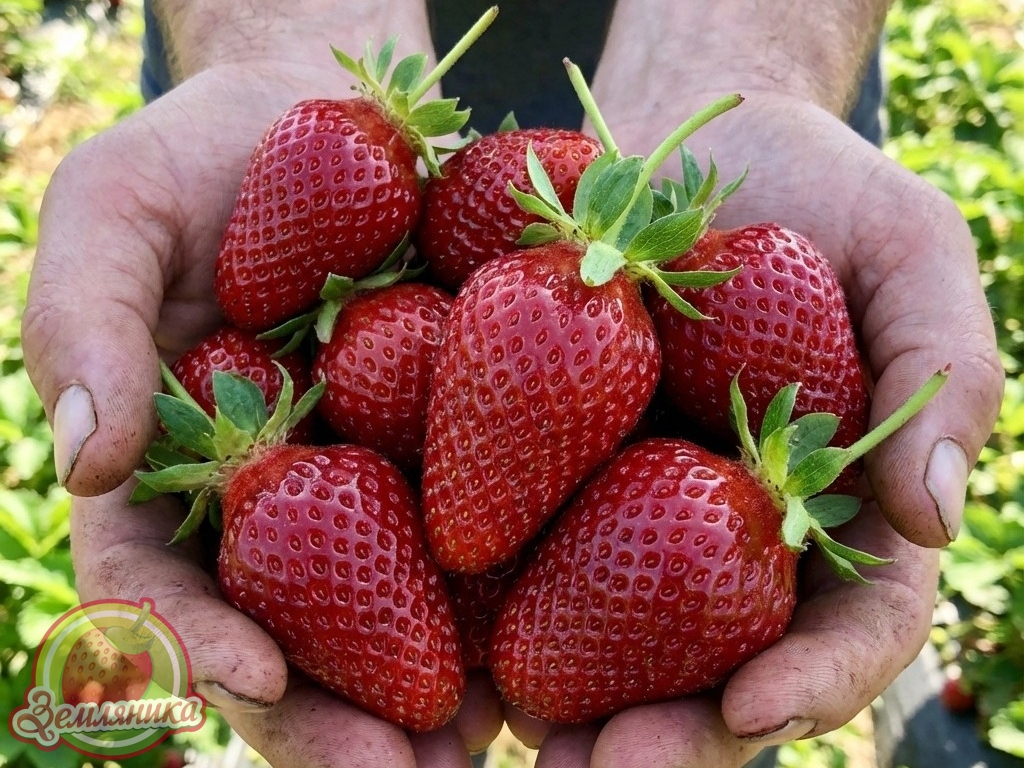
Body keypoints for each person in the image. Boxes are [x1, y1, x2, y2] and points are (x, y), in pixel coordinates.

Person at [20, 0, 1004, 766]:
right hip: (324, 43)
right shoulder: (549, 331)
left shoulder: (611, 344)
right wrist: (268, 35)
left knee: (721, 711)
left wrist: (757, 62)